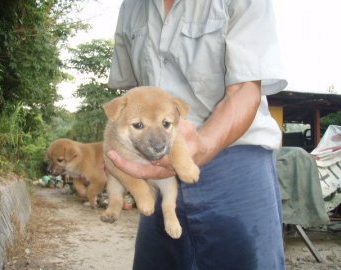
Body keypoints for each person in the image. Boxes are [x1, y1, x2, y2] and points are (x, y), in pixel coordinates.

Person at [107, 0, 288, 269]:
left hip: (236, 161)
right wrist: (118, 151)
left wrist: (201, 144)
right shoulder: (132, 6)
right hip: (156, 165)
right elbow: (133, 96)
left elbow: (244, 89)